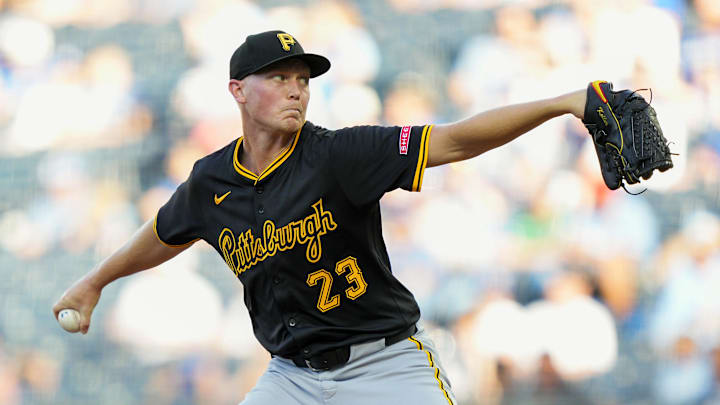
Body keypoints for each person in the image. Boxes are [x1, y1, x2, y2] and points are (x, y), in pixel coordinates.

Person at [53, 30, 587, 405]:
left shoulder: (340, 155)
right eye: (279, 77)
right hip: (291, 378)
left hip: (386, 365)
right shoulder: (210, 182)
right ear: (237, 90)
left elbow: (453, 140)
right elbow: (165, 233)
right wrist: (95, 281)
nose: (296, 89)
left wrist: (564, 103)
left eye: (302, 79)